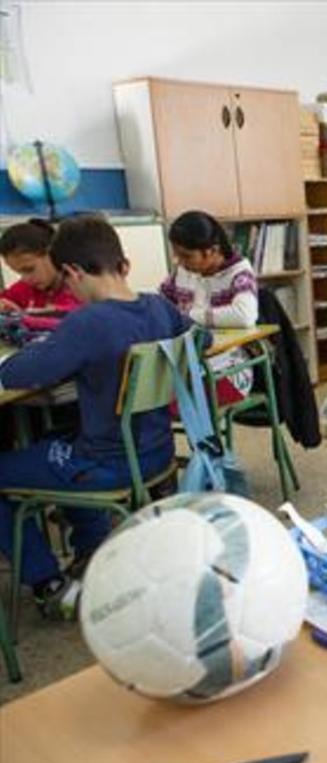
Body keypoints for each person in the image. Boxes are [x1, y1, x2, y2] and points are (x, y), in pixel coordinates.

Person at [0, 215, 192, 619]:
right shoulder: (159, 307)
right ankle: (92, 551)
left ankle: (48, 584)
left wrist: (44, 345)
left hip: (107, 465)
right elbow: (197, 336)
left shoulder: (86, 322)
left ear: (70, 272)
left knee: (39, 457)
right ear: (123, 264)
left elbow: (18, 374)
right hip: (157, 455)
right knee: (55, 443)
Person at [161, 210, 256, 405]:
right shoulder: (182, 272)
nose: (180, 262)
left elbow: (245, 315)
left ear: (212, 250)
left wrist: (188, 316)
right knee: (141, 397)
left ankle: (205, 436)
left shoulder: (239, 272)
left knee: (159, 405)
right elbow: (160, 305)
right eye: (177, 255)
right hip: (187, 365)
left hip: (229, 370)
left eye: (186, 256)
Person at [0, 219, 81, 313]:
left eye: (29, 269)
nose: (26, 279)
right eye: (19, 272)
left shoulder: (80, 288)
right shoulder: (24, 288)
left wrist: (23, 317)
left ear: (51, 254)